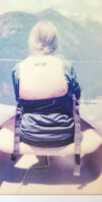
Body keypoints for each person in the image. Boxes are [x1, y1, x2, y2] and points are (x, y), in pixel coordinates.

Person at [12, 20, 81, 148]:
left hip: (29, 136)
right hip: (64, 135)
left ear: (31, 43)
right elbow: (77, 98)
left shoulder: (19, 69)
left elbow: (19, 101)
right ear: (55, 43)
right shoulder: (66, 66)